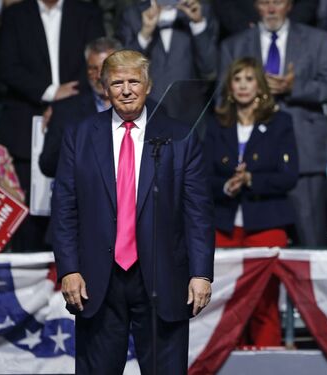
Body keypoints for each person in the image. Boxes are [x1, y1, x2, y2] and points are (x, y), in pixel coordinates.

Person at [51, 50, 214, 373]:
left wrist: (201, 273)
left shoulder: (179, 135)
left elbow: (198, 213)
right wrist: (68, 269)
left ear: (149, 85)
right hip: (97, 280)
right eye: (117, 83)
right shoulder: (80, 135)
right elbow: (65, 209)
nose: (126, 90)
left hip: (163, 277)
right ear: (104, 88)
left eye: (133, 82)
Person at [220, 0, 327, 247]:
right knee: (261, 244)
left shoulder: (316, 39)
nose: (271, 9)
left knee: (312, 240)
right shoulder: (234, 44)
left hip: (304, 152)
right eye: (265, 3)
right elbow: (222, 98)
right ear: (255, 6)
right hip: (253, 160)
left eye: (278, 2)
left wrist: (294, 87)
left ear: (290, 5)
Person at [0, 0, 104, 251]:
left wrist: (65, 104)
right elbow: (7, 66)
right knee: (29, 223)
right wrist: (51, 93)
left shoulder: (86, 12)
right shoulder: (16, 15)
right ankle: (32, 287)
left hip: (78, 122)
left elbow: (97, 65)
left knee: (78, 214)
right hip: (25, 127)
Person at [206, 57, 298, 346]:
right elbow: (200, 176)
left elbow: (289, 176)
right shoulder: (215, 124)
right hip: (224, 226)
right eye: (237, 79)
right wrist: (226, 186)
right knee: (224, 304)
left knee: (264, 303)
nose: (243, 85)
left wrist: (251, 181)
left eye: (249, 79)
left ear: (259, 85)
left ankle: (266, 359)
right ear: (230, 87)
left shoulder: (281, 122)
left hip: (267, 224)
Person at [116, 0, 218, 121]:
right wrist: (145, 34)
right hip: (146, 112)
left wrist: (198, 24)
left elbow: (210, 67)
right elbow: (123, 69)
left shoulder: (200, 10)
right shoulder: (133, 14)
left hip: (189, 113)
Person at [40, 37, 123, 178]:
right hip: (84, 195)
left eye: (106, 68)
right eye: (93, 69)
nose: (99, 76)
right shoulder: (65, 111)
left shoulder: (142, 108)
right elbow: (47, 164)